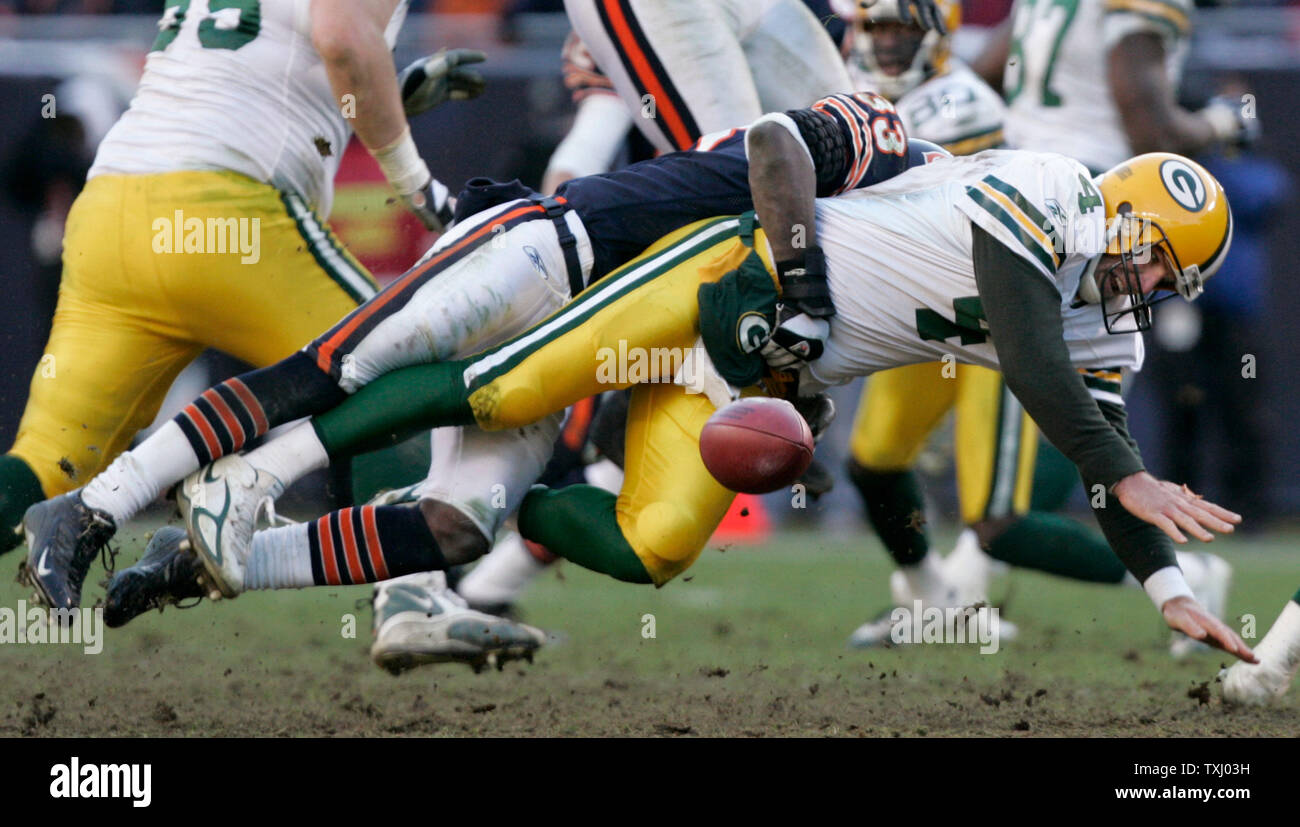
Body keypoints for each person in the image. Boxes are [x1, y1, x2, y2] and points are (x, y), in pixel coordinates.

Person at [111, 146, 1255, 665]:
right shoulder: (1051, 188)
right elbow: (1024, 342)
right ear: (1112, 213)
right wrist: (1130, 467)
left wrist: (1160, 584)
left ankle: (510, 510)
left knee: (650, 545)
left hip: (760, 376)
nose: (1144, 285)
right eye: (1149, 259)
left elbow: (1104, 460)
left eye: (1169, 280)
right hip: (722, 274)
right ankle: (254, 467)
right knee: (505, 381)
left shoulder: (1109, 317)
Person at [26, 90, 917, 614]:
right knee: (339, 364)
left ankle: (190, 570)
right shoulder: (882, 150)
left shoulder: (878, 246)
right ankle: (94, 508)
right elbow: (779, 147)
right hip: (545, 249)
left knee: (458, 523)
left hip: (593, 322)